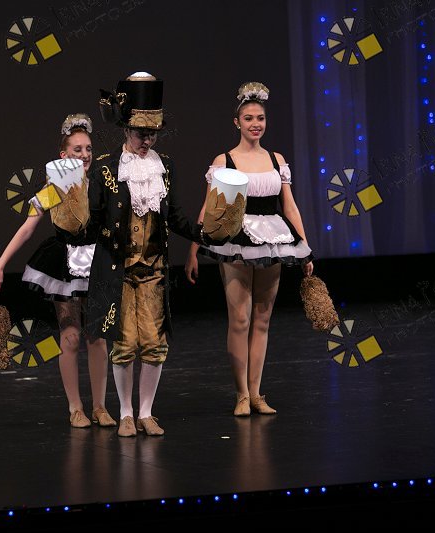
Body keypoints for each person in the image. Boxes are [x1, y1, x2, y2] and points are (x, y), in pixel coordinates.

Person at [56, 72, 202, 437]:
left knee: (154, 343)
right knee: (123, 344)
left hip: (153, 269)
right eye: (140, 133)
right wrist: (68, 219)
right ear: (126, 130)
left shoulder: (164, 166)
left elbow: (176, 217)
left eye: (152, 134)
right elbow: (90, 225)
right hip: (116, 270)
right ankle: (124, 413)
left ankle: (146, 413)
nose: (146, 140)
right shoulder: (106, 167)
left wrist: (208, 233)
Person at [185, 82, 314, 417]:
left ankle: (256, 393)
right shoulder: (225, 160)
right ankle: (241, 394)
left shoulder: (276, 160)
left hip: (273, 237)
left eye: (260, 118)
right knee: (240, 318)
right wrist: (194, 250)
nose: (255, 123)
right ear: (237, 122)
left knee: (262, 317)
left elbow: (290, 206)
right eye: (248, 118)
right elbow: (210, 208)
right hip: (237, 238)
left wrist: (304, 247)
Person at [0, 114, 115, 429]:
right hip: (64, 266)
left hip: (96, 263)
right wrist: (0, 264)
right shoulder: (54, 188)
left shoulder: (101, 184)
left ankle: (100, 407)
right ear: (63, 155)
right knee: (70, 337)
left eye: (88, 149)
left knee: (98, 338)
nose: (84, 155)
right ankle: (75, 408)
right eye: (77, 149)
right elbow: (27, 228)